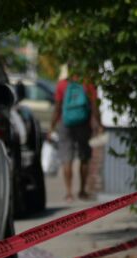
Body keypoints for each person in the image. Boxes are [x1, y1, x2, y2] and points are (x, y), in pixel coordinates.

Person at [50, 71, 102, 202]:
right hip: (83, 123)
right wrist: (99, 123)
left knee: (67, 158)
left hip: (65, 123)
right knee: (84, 157)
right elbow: (95, 105)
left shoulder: (62, 85)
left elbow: (57, 107)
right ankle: (82, 191)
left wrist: (52, 126)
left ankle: (68, 193)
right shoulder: (87, 83)